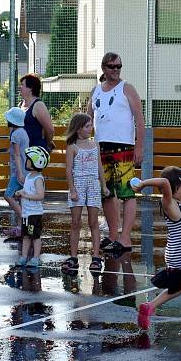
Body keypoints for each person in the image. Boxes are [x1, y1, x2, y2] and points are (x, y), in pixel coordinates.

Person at [132, 167, 181, 331]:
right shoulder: (168, 202)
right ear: (176, 186)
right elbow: (164, 182)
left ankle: (149, 306)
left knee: (177, 289)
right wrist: (143, 184)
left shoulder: (179, 204)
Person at [87, 52, 146, 254]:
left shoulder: (127, 89)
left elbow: (139, 118)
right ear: (104, 68)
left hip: (123, 148)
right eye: (112, 66)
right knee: (106, 193)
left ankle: (125, 237)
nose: (116, 69)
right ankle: (113, 234)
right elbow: (87, 118)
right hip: (100, 148)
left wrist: (139, 146)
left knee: (126, 192)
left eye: (119, 66)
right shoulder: (96, 91)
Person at [63, 113, 109, 273]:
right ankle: (73, 257)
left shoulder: (94, 145)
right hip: (78, 184)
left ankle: (96, 257)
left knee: (93, 222)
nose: (91, 128)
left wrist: (103, 186)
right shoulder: (72, 146)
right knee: (75, 222)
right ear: (78, 129)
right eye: (87, 126)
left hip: (93, 185)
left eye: (91, 125)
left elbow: (99, 167)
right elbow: (68, 170)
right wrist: (72, 190)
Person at [15, 146, 48, 267]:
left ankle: (36, 258)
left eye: (29, 159)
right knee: (26, 236)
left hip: (34, 213)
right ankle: (24, 257)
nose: (26, 161)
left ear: (36, 162)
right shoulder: (29, 176)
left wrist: (26, 195)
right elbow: (26, 190)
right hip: (26, 213)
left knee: (35, 236)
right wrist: (20, 193)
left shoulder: (38, 178)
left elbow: (40, 195)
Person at [3, 107, 29, 236]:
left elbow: (17, 155)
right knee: (21, 199)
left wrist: (18, 172)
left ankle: (24, 219)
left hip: (18, 172)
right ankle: (20, 228)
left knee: (8, 195)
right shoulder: (23, 132)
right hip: (26, 170)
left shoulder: (15, 134)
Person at [19, 73, 55, 150]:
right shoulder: (20, 104)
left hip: (35, 151)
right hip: (21, 151)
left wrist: (47, 144)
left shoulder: (38, 105)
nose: (20, 87)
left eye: (22, 85)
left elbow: (50, 130)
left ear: (30, 88)